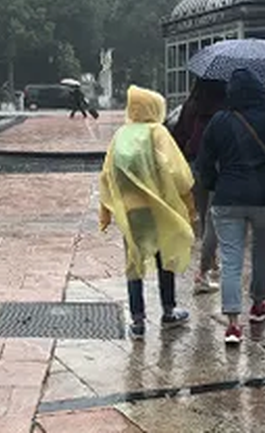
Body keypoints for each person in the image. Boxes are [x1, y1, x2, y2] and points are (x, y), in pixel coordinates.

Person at [196, 68, 265, 346]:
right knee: (262, 256)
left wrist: (217, 183)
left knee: (232, 262)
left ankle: (233, 325)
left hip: (228, 197)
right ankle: (258, 305)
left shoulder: (219, 121)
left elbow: (203, 164)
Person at [99, 85, 196, 340]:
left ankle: (138, 322)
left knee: (134, 263)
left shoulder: (120, 134)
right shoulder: (158, 132)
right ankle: (168, 310)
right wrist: (187, 200)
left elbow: (107, 174)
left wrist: (105, 212)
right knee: (166, 258)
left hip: (129, 211)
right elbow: (178, 173)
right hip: (157, 208)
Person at [170, 79, 226, 295]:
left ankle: (211, 261)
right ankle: (205, 268)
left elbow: (179, 135)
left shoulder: (190, 105)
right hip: (217, 166)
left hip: (194, 165)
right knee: (215, 219)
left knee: (204, 217)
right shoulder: (223, 108)